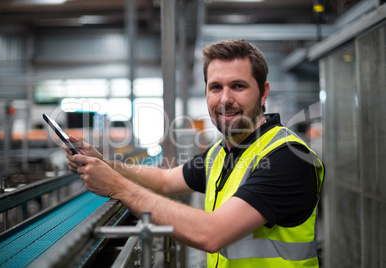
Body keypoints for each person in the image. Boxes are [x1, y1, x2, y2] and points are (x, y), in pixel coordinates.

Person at [65, 39, 325, 267]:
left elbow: (211, 234)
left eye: (238, 86)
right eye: (215, 87)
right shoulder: (221, 152)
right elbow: (166, 180)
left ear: (263, 93)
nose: (225, 99)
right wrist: (106, 164)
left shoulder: (288, 157)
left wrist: (117, 187)